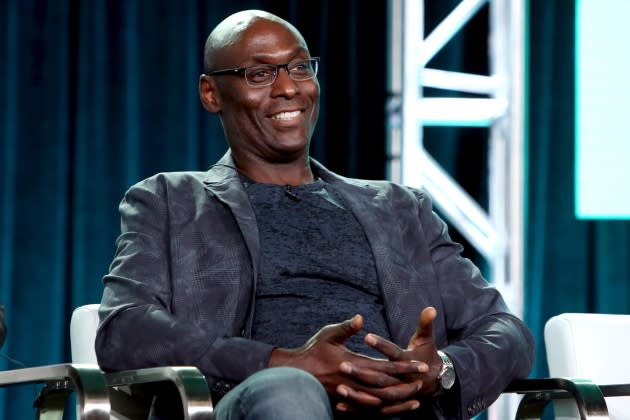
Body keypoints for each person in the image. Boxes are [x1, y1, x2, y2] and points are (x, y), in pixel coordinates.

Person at [95, 9, 534, 420]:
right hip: (255, 402)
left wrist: (440, 369)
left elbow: (505, 331)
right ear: (211, 93)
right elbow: (126, 329)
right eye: (260, 73)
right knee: (290, 391)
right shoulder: (169, 201)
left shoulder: (399, 208)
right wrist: (281, 363)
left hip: (396, 411)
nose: (288, 88)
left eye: (301, 67)